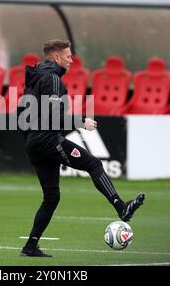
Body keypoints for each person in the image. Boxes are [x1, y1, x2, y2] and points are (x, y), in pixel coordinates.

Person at [18, 39, 145, 257]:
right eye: (68, 56)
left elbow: (22, 115)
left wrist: (31, 139)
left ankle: (30, 247)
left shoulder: (35, 78)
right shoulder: (53, 79)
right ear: (56, 57)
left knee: (51, 197)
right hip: (48, 140)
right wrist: (81, 122)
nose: (72, 59)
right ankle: (121, 207)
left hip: (35, 142)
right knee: (93, 164)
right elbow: (55, 117)